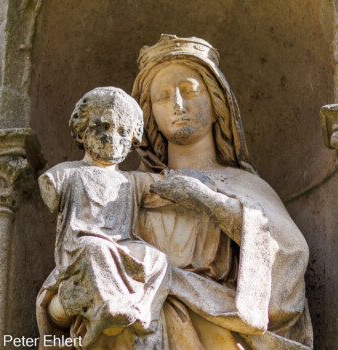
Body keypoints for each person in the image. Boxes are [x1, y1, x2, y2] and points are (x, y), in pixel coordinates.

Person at [130, 34, 313, 349]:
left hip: (223, 334)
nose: (177, 105)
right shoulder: (133, 188)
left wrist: (208, 201)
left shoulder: (247, 186)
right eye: (162, 97)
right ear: (149, 116)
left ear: (217, 104)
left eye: (189, 91)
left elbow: (290, 256)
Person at [36, 87, 171, 350]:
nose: (113, 136)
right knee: (96, 249)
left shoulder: (131, 181)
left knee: (158, 260)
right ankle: (107, 306)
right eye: (104, 125)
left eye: (123, 131)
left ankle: (142, 311)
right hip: (83, 246)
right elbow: (50, 190)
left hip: (124, 245)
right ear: (82, 129)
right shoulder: (64, 176)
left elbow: (166, 188)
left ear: (133, 138)